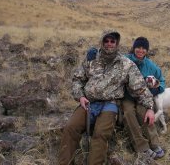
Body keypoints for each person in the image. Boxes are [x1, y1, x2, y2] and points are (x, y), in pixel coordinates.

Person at [58, 30, 155, 165]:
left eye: (112, 41)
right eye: (106, 41)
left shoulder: (126, 64)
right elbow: (77, 80)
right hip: (88, 103)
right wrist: (80, 96)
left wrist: (150, 107)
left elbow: (140, 88)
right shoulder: (91, 58)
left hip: (110, 105)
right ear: (102, 42)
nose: (109, 44)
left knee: (100, 134)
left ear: (117, 43)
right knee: (70, 128)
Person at [123, 36, 166, 159]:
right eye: (138, 47)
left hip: (144, 97)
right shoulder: (125, 60)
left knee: (145, 113)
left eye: (143, 48)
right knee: (128, 113)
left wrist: (155, 87)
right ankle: (142, 147)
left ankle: (155, 144)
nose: (140, 51)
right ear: (134, 48)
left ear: (147, 50)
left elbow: (162, 81)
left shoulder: (151, 66)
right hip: (127, 97)